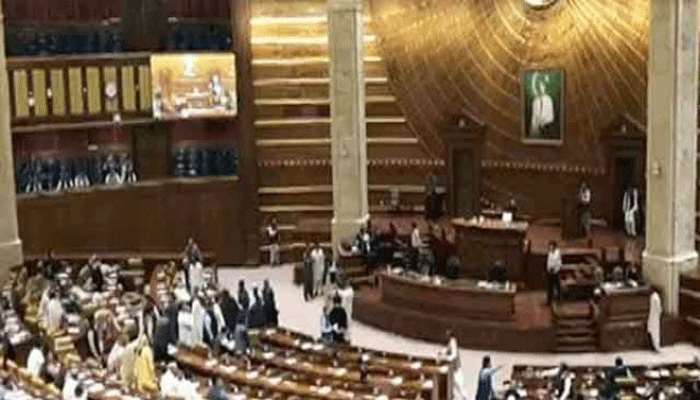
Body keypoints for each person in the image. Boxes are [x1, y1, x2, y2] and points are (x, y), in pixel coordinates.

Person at [441, 331, 466, 400]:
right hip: (453, 369)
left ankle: (464, 398)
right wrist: (443, 353)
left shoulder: (452, 342)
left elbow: (453, 354)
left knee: (459, 386)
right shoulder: (450, 342)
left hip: (456, 369)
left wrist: (446, 358)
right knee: (453, 386)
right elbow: (447, 350)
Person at [529, 73, 554, 138]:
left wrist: (543, 123)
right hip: (536, 131)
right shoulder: (535, 101)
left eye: (543, 86)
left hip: (546, 130)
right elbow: (533, 118)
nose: (541, 88)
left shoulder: (548, 100)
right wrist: (534, 127)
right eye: (540, 86)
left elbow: (550, 117)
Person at [546, 241, 562, 305]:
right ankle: (549, 300)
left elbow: (558, 263)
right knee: (550, 287)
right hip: (550, 272)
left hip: (555, 272)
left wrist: (555, 269)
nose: (550, 248)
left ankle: (558, 299)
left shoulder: (557, 253)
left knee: (557, 286)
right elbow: (549, 261)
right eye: (550, 246)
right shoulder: (550, 253)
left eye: (551, 246)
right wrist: (548, 269)